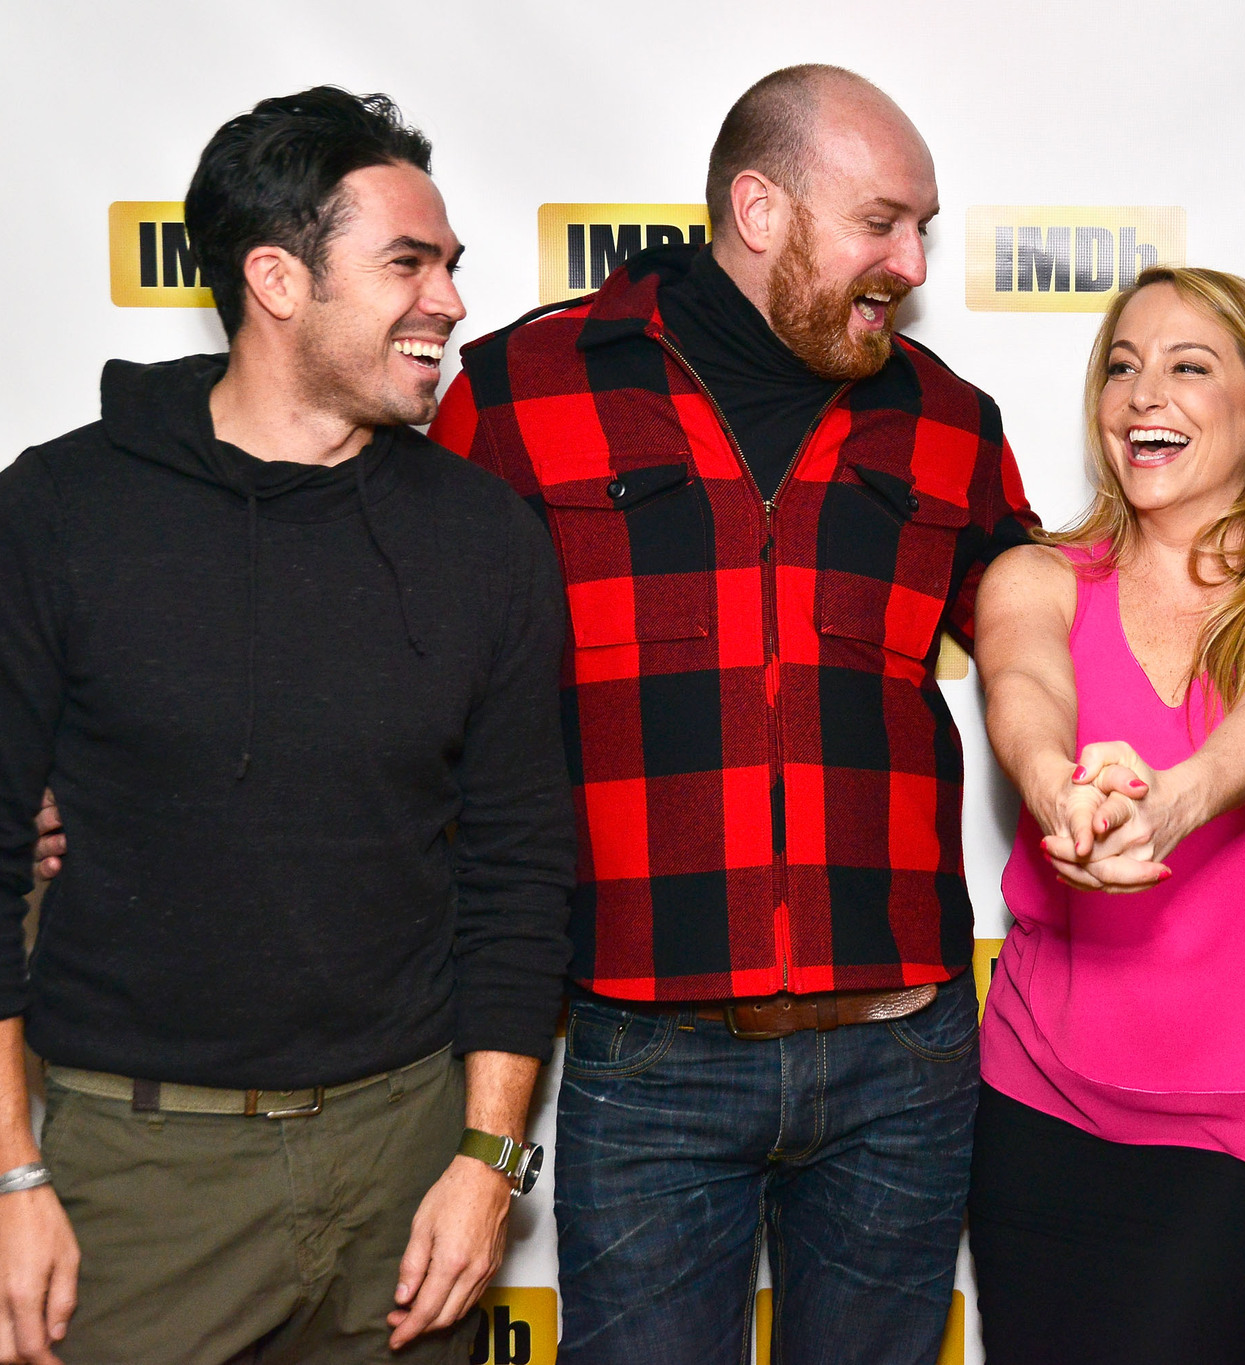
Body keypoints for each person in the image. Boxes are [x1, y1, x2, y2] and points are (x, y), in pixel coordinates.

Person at [0, 87, 577, 1365]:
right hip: (140, 1178)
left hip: (405, 1164)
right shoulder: (56, 514)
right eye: (406, 263)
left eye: (450, 265)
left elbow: (519, 870)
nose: (447, 300)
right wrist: (4, 1186)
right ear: (276, 277)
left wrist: (486, 1160)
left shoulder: (484, 538)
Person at [426, 65, 1038, 1363]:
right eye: (882, 222)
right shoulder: (520, 390)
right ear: (760, 208)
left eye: (923, 228)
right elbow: (393, 667)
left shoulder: (948, 421)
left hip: (905, 1062)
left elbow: (1067, 647)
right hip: (649, 1053)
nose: (912, 262)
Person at [966, 266, 1245, 1365]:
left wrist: (1174, 802)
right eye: (1120, 367)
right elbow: (1022, 689)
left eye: (1185, 367)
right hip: (1041, 1100)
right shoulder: (1036, 573)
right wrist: (1055, 782)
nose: (1139, 394)